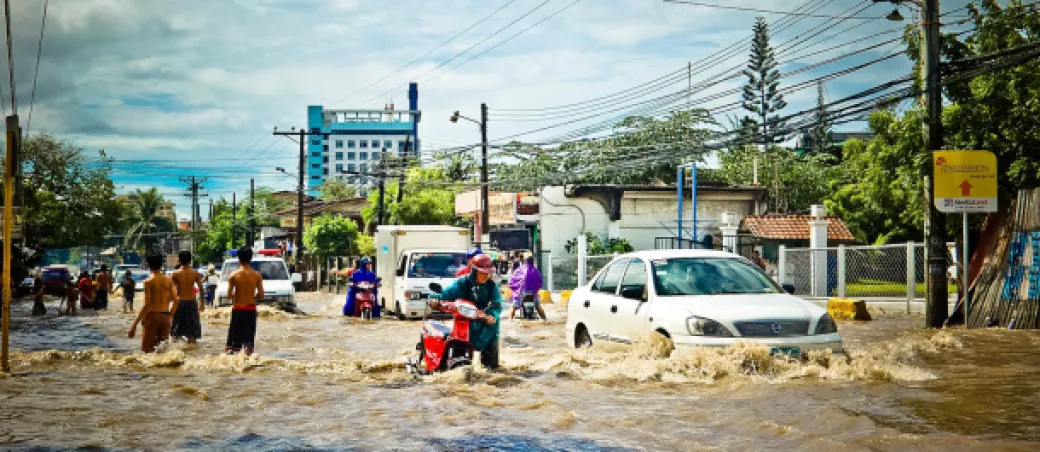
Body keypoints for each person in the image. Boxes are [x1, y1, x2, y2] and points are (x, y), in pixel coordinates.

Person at [430, 254, 501, 369]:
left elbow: (497, 305)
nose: (485, 276)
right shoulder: (462, 283)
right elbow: (446, 294)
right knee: (459, 365)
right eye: (482, 272)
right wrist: (435, 298)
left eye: (487, 273)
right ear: (474, 271)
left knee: (492, 369)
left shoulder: (493, 287)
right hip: (466, 323)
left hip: (488, 326)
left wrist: (492, 316)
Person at [128, 254, 178, 353]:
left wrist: (135, 324)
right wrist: (170, 315)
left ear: (149, 265)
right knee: (162, 351)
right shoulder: (168, 280)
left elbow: (147, 304)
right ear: (161, 265)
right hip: (165, 316)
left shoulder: (148, 282)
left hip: (152, 316)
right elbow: (176, 300)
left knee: (147, 351)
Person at [227, 246, 263, 354]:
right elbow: (261, 295)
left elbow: (229, 295)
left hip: (237, 309)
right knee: (248, 343)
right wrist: (252, 296)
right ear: (251, 258)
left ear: (239, 258)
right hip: (250, 309)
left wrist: (236, 296)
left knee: (233, 344)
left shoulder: (233, 275)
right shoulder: (257, 275)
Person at [170, 251, 205, 344]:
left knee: (175, 333)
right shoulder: (195, 273)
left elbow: (170, 291)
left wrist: (169, 304)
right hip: (191, 302)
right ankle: (193, 355)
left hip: (179, 302)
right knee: (192, 334)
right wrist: (202, 303)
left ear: (179, 260)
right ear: (190, 260)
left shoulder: (175, 273)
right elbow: (201, 289)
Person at [508, 256, 546, 320]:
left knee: (513, 307)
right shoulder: (535, 270)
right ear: (533, 262)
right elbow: (540, 282)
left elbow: (513, 279)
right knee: (538, 306)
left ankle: (510, 321)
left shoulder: (520, 269)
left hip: (521, 292)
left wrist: (514, 287)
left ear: (526, 261)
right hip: (532, 293)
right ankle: (545, 320)